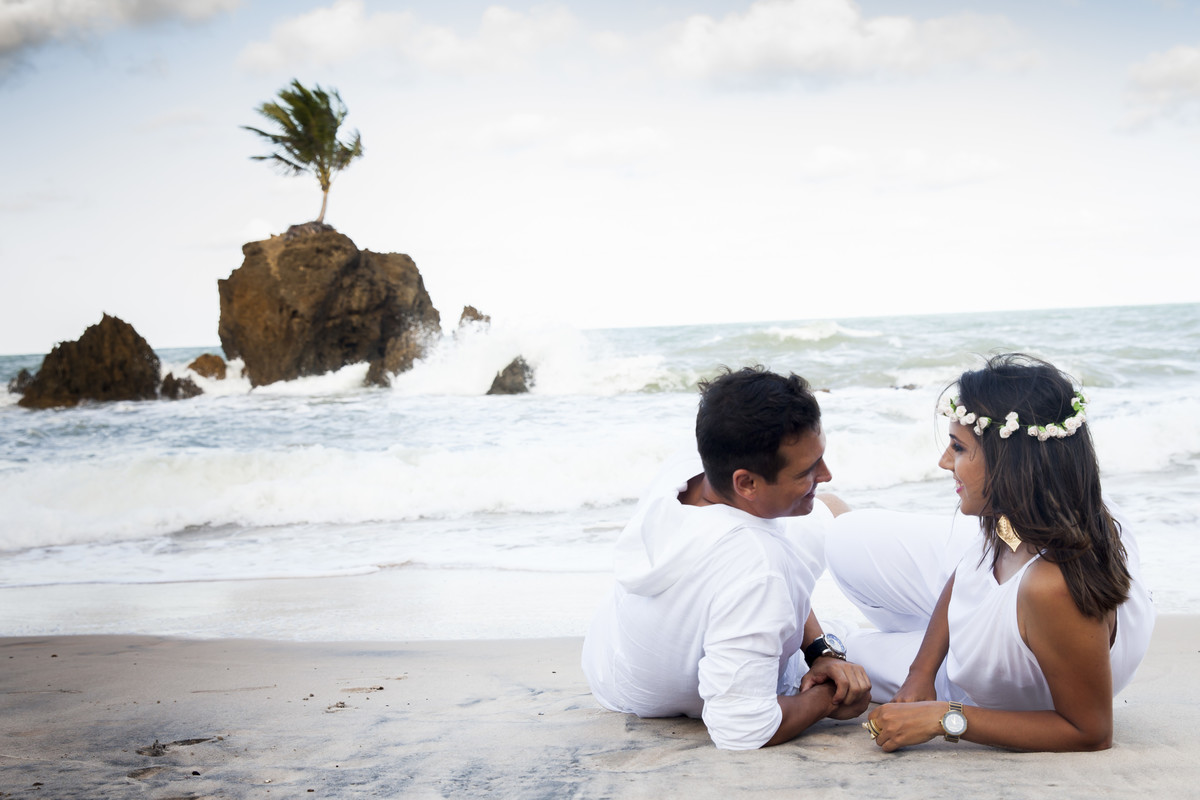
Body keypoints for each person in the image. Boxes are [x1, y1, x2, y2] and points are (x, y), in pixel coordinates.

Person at [827, 353, 1155, 752]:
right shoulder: (1021, 516)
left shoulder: (1054, 589)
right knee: (846, 541)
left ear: (1010, 463)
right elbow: (968, 573)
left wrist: (943, 717)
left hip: (995, 689)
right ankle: (829, 511)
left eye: (959, 448)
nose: (944, 461)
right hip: (996, 644)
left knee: (849, 655)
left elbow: (1091, 731)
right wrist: (920, 671)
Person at [581, 366, 871, 750]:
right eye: (808, 471)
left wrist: (819, 651)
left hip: (610, 669)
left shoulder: (688, 467)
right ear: (746, 483)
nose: (827, 473)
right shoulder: (757, 564)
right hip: (672, 694)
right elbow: (742, 728)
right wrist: (829, 696)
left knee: (822, 510)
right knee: (834, 512)